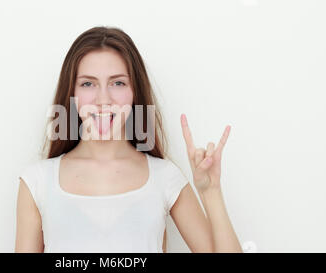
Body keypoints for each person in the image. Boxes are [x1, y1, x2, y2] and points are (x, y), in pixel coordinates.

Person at [15, 26, 242, 253]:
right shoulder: (38, 181)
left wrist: (210, 192)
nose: (103, 99)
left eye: (118, 83)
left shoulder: (165, 177)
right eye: (87, 83)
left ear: (135, 92)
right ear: (72, 94)